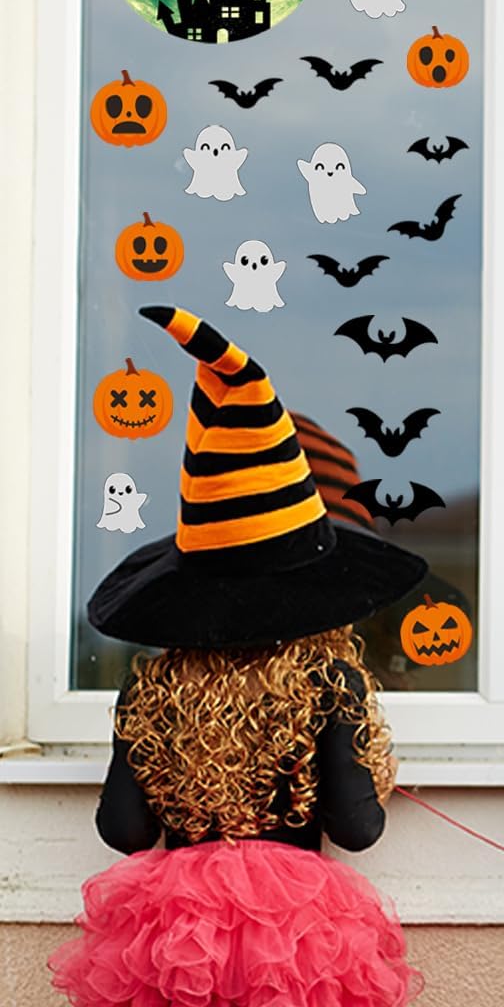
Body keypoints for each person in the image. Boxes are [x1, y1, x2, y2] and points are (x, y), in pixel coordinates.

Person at [49, 306, 428, 1007]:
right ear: (313, 589)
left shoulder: (153, 687)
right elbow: (356, 828)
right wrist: (374, 765)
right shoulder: (327, 681)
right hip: (299, 930)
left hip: (173, 930)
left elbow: (124, 830)